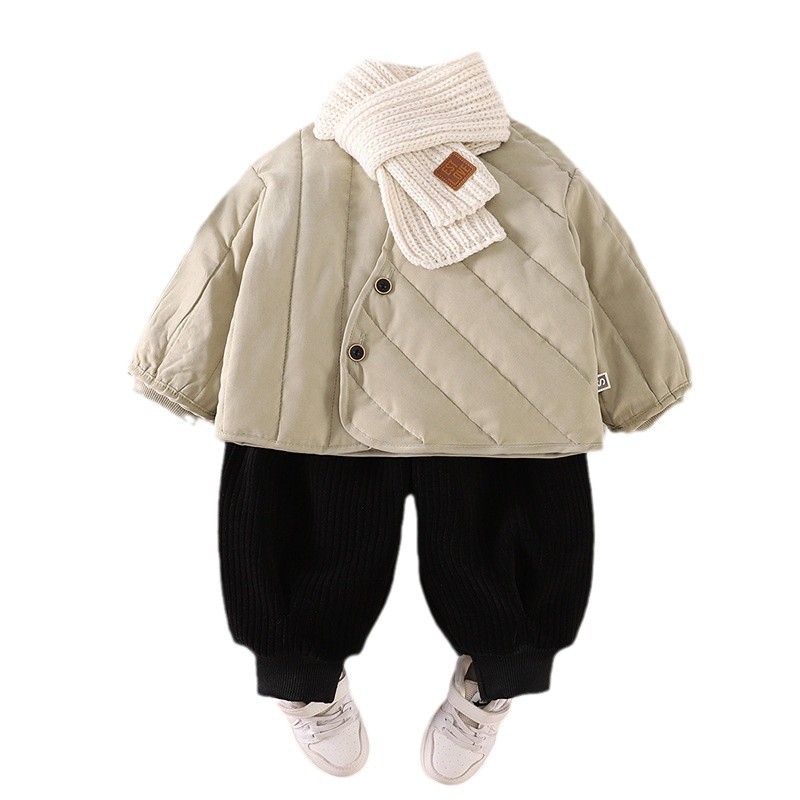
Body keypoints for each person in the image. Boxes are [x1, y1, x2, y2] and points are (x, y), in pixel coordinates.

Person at [128, 52, 692, 784]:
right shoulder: (296, 165)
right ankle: (307, 675)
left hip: (496, 412)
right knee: (304, 556)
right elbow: (226, 254)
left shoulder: (534, 166)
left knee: (505, 568)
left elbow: (601, 265)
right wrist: (643, 385)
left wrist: (176, 370)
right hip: (337, 407)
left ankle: (490, 675)